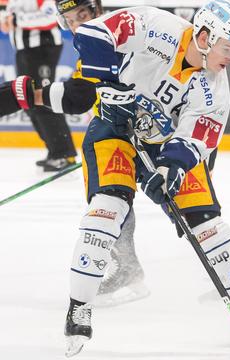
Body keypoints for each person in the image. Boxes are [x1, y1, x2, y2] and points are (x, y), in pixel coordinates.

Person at [62, 1, 230, 357]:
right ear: (204, 36)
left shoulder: (215, 90)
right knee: (107, 209)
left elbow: (197, 139)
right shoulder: (155, 23)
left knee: (210, 229)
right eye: (228, 47)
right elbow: (91, 33)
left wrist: (170, 169)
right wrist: (113, 84)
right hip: (113, 131)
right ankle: (78, 308)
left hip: (164, 146)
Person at [0, 0, 150, 308]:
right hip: (120, 130)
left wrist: (27, 94)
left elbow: (80, 96)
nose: (76, 24)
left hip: (144, 129)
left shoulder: (114, 35)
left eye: (82, 15)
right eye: (69, 19)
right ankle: (128, 268)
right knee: (110, 197)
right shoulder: (97, 36)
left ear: (97, 9)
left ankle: (222, 274)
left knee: (181, 208)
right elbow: (81, 92)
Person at [0, 0, 77, 171]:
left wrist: (16, 21)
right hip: (26, 50)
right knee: (27, 100)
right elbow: (13, 16)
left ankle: (64, 154)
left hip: (42, 49)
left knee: (42, 99)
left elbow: (50, 16)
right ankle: (56, 151)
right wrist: (6, 20)